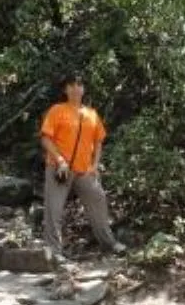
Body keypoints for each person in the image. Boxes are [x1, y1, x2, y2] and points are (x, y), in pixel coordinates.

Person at [39, 73, 125, 254]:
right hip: (59, 168)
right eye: (71, 85)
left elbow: (99, 142)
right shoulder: (57, 110)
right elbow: (46, 139)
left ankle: (109, 244)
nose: (76, 88)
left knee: (98, 200)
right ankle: (53, 253)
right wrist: (60, 160)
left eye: (79, 85)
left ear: (83, 89)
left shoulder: (92, 114)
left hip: (84, 170)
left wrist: (95, 165)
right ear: (65, 90)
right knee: (53, 210)